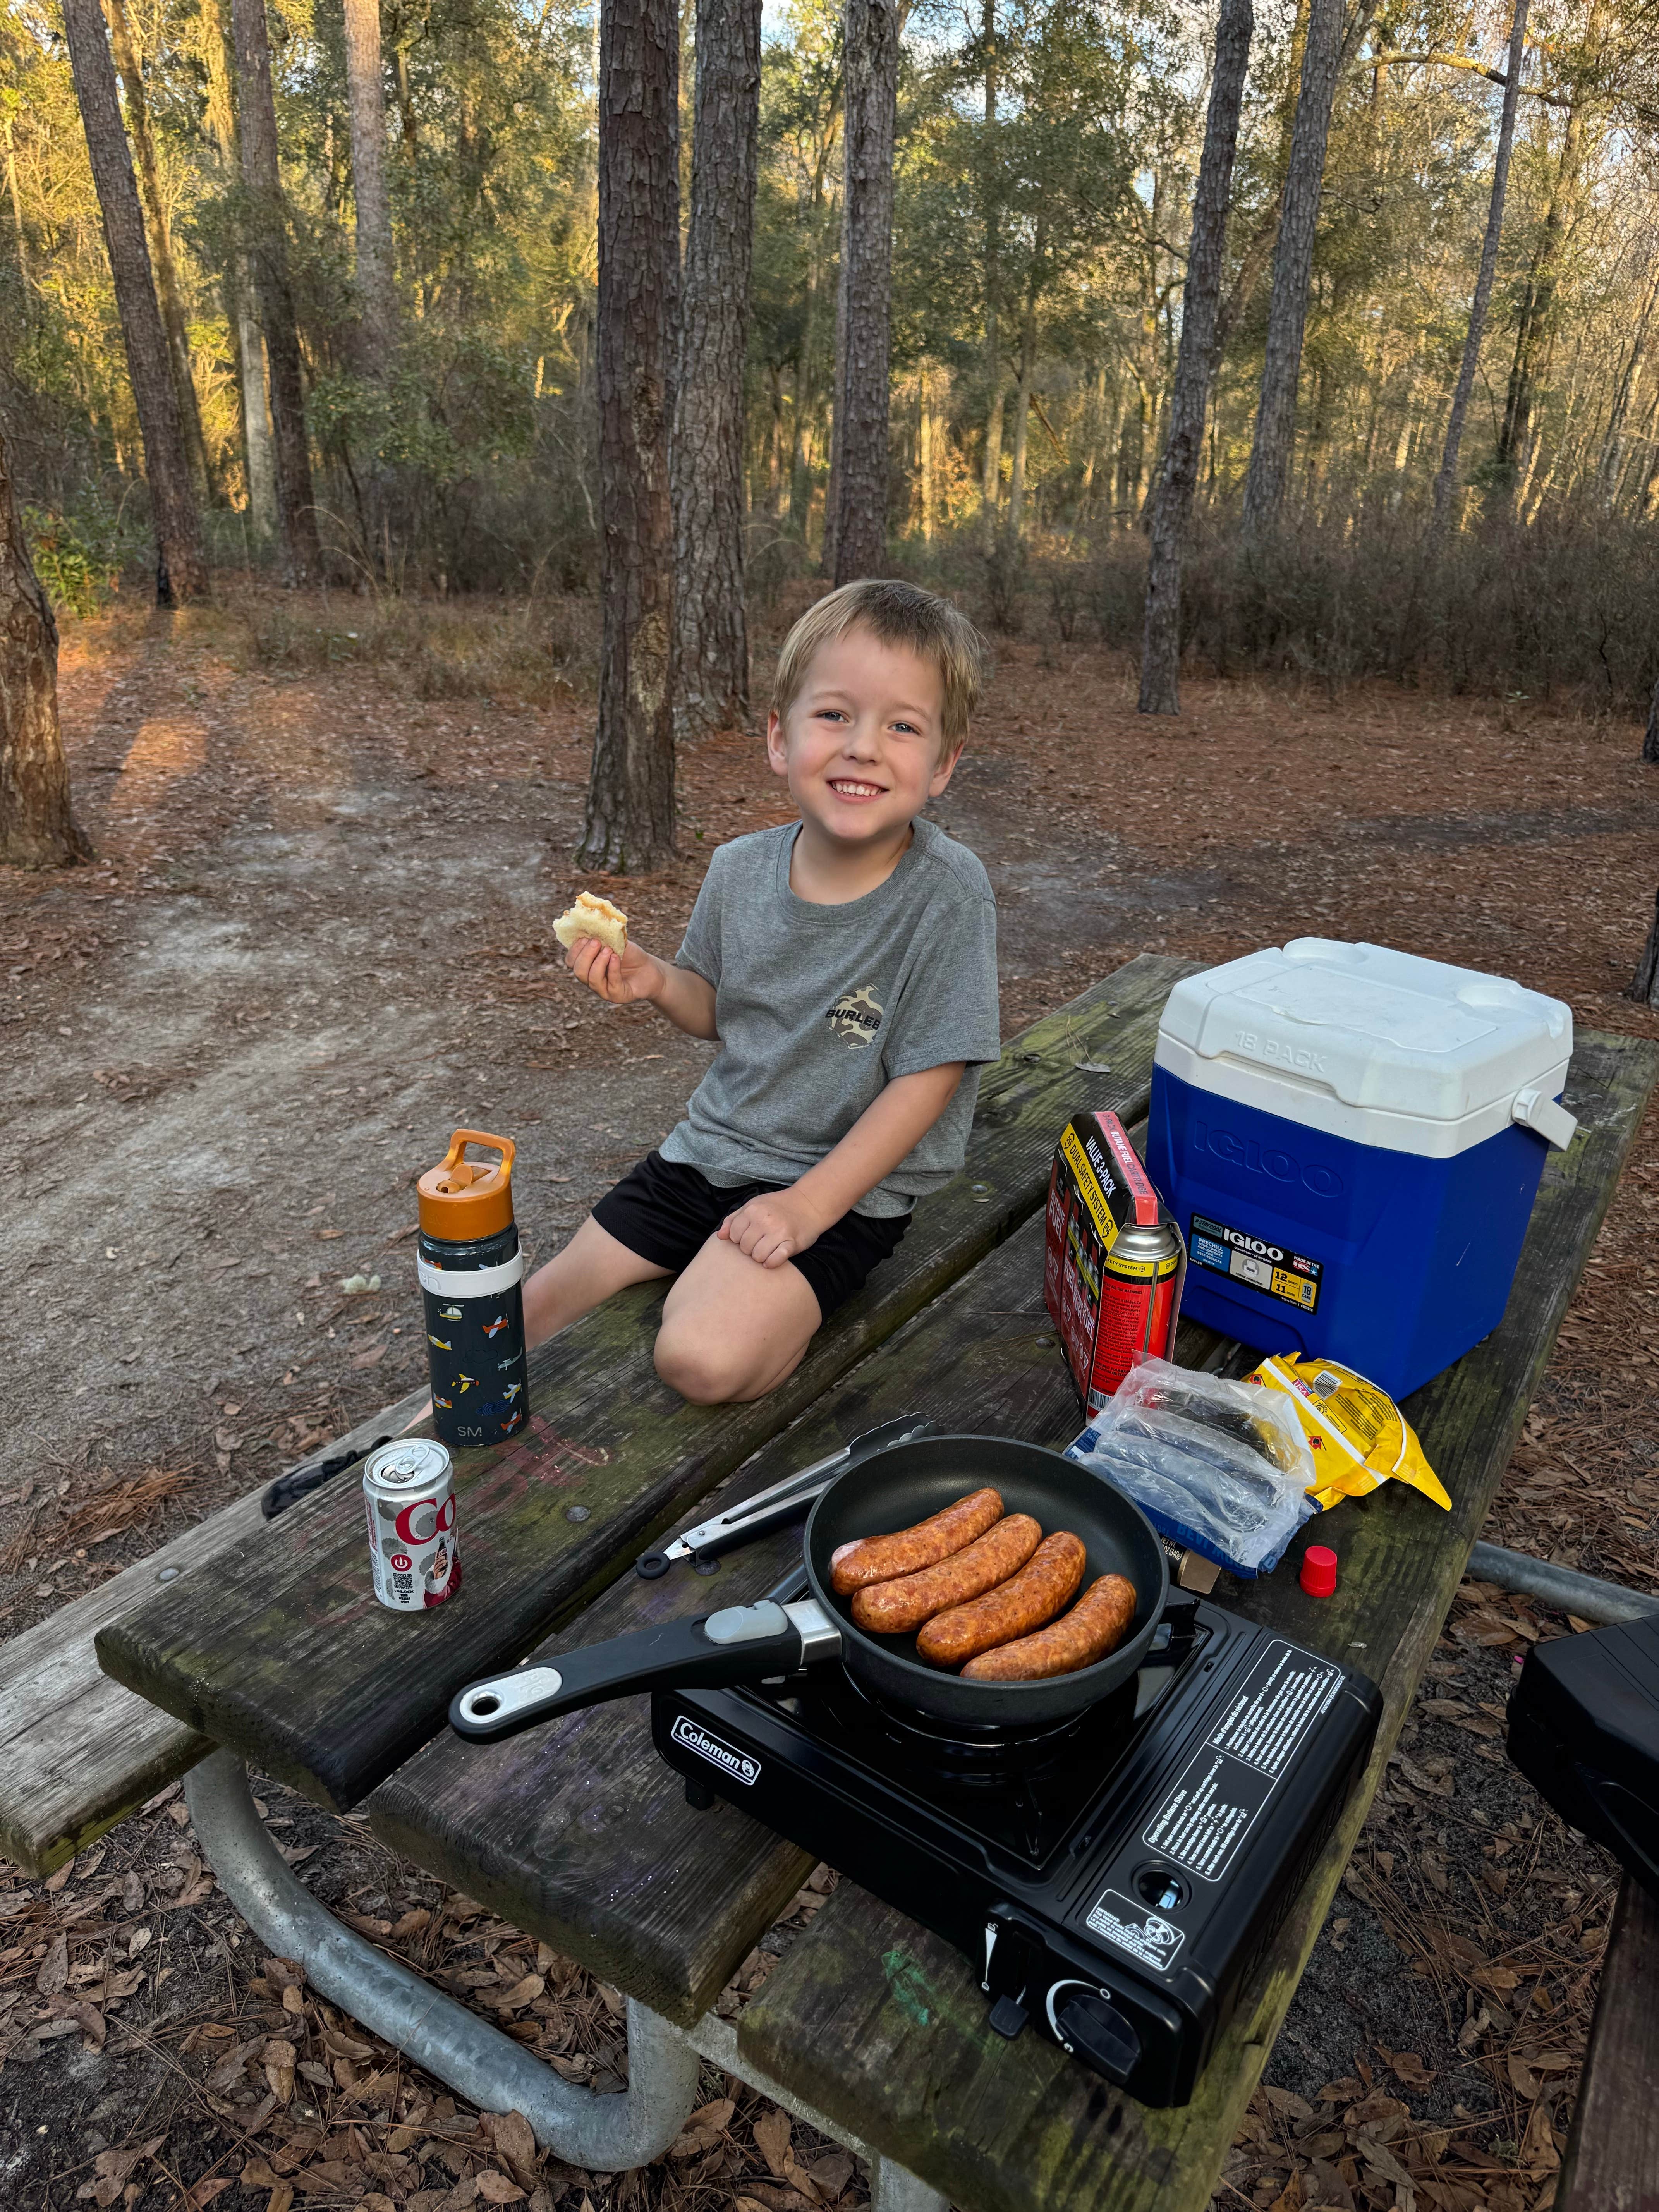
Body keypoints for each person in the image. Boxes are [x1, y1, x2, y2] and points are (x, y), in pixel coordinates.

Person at [530, 577, 1000, 1402]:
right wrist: (657, 979)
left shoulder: (948, 893)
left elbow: (930, 1079)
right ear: (780, 738)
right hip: (707, 1155)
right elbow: (719, 1010)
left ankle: (769, 1311)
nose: (863, 747)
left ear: (943, 764)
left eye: (902, 726)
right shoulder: (739, 870)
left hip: (845, 1192)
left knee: (699, 1357)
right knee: (526, 1315)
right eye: (835, 714)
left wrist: (806, 1208)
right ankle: (404, 1454)